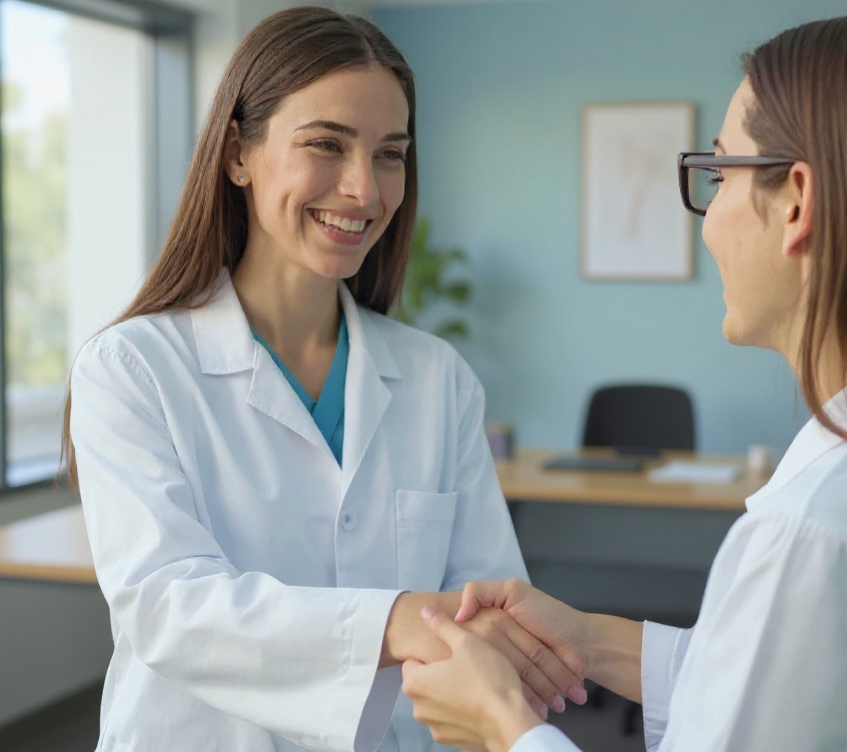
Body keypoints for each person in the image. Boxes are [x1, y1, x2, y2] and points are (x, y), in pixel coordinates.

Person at [399, 15, 847, 752]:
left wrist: (504, 728)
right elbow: (795, 689)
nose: (708, 222)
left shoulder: (818, 536)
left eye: (719, 172)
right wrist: (590, 640)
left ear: (797, 202)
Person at [65, 8, 583, 751]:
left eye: (390, 155)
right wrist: (397, 618)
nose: (364, 190)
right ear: (238, 153)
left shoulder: (439, 381)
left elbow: (488, 611)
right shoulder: (132, 369)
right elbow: (169, 607)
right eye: (326, 145)